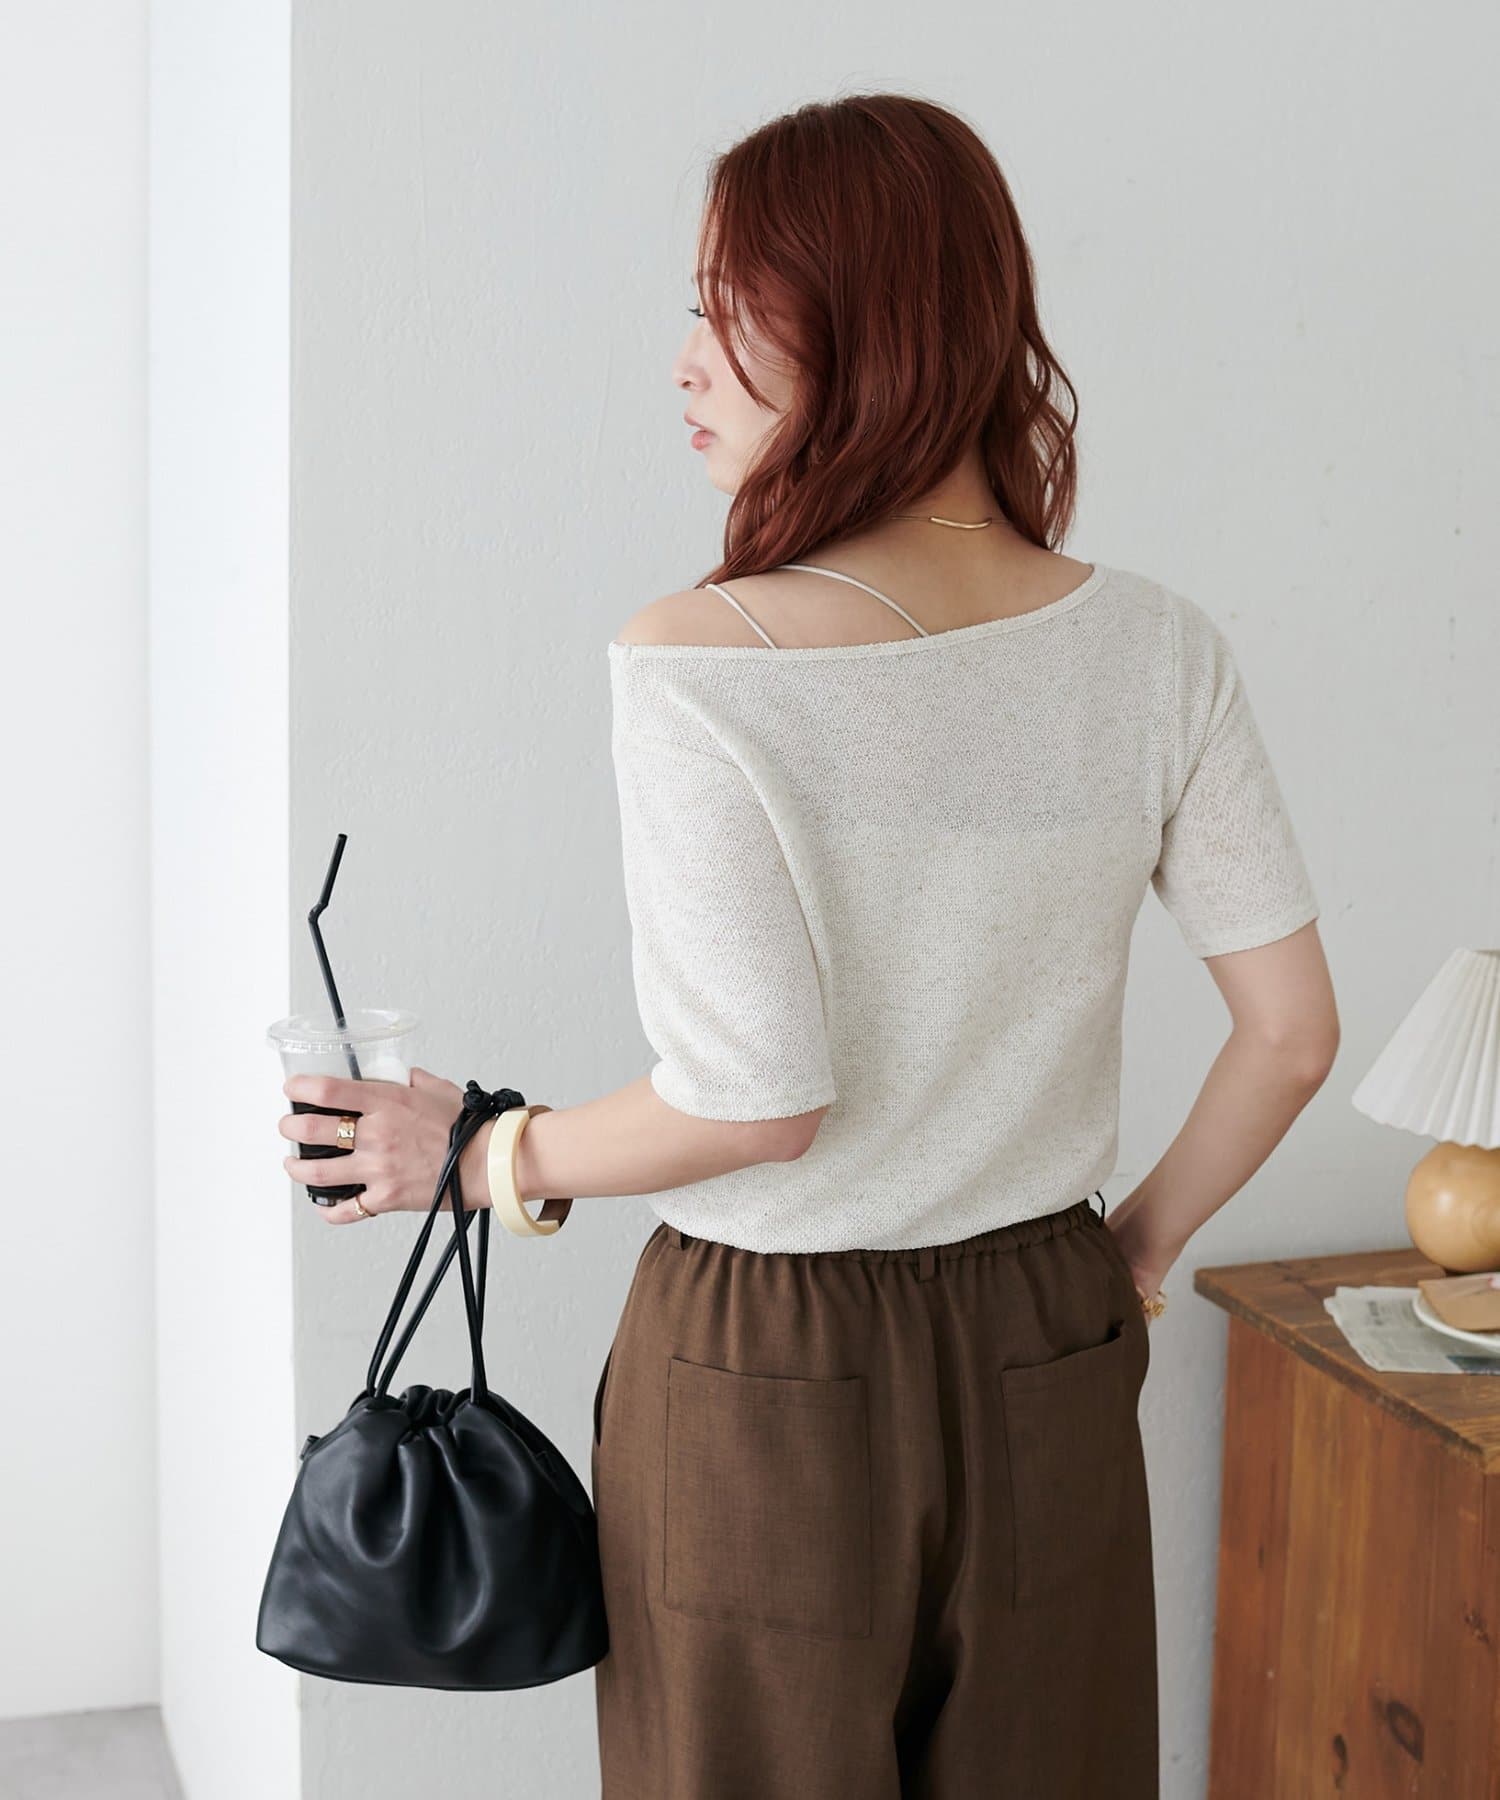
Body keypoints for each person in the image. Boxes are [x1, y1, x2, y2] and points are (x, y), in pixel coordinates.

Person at [278, 90, 1338, 1799]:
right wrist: (1126, 1261)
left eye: (726, 311)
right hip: (1049, 1333)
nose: (683, 362)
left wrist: (482, 1154)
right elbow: (1289, 1032)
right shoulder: (1156, 647)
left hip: (767, 1369)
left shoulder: (704, 662)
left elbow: (753, 1102)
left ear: (869, 326)